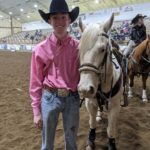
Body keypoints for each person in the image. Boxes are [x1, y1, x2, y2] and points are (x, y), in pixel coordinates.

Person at [29, 0, 80, 149]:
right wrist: (36, 111)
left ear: (69, 20)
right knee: (47, 143)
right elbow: (35, 82)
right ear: (49, 20)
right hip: (49, 97)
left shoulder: (78, 47)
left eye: (63, 17)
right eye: (55, 17)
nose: (60, 21)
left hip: (72, 97)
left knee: (71, 142)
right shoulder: (39, 49)